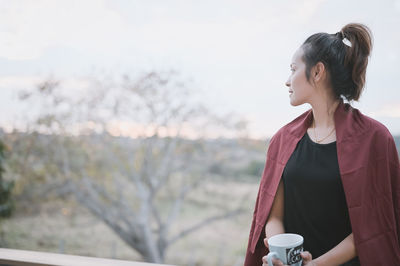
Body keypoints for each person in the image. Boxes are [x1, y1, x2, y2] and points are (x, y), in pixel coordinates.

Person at [244, 23, 400, 266]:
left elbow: (373, 227)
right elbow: (273, 215)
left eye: (293, 69)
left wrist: (316, 265)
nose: (287, 81)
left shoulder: (375, 138)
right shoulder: (282, 139)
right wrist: (281, 257)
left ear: (317, 72)